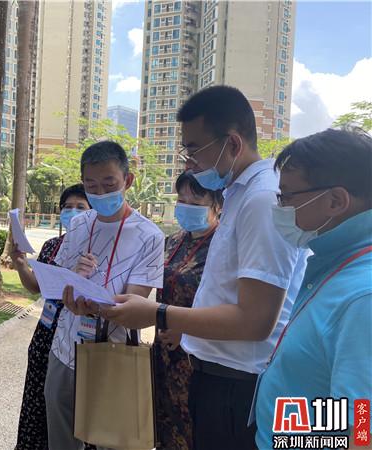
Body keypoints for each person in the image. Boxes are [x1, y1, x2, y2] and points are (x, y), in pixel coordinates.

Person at [66, 86, 308, 450]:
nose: (188, 163)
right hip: (217, 374)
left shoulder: (260, 200)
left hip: (239, 384)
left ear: (232, 143)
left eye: (194, 150)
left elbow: (257, 320)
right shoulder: (240, 195)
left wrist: (158, 313)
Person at [254, 128, 372, 449]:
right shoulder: (335, 265)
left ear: (335, 201)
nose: (279, 207)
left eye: (287, 196)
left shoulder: (362, 296)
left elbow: (362, 431)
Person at [48, 141, 165, 450]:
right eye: (91, 186)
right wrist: (73, 281)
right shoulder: (79, 224)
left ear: (128, 180)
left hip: (113, 352)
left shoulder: (149, 236)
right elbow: (59, 281)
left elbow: (134, 304)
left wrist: (94, 306)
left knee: (112, 441)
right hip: (65, 348)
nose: (100, 193)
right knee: (61, 438)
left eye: (109, 184)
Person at [10, 183, 92, 450]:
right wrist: (21, 264)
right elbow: (37, 287)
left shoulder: (96, 250)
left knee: (74, 413)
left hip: (78, 339)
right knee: (40, 404)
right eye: (67, 207)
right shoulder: (52, 246)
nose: (73, 212)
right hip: (46, 336)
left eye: (80, 207)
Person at [154, 172, 222, 450]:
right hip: (163, 353)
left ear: (218, 205)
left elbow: (227, 303)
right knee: (162, 426)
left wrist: (185, 332)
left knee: (191, 432)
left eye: (196, 202)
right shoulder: (174, 241)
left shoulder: (223, 246)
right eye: (182, 200)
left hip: (196, 357)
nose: (186, 207)